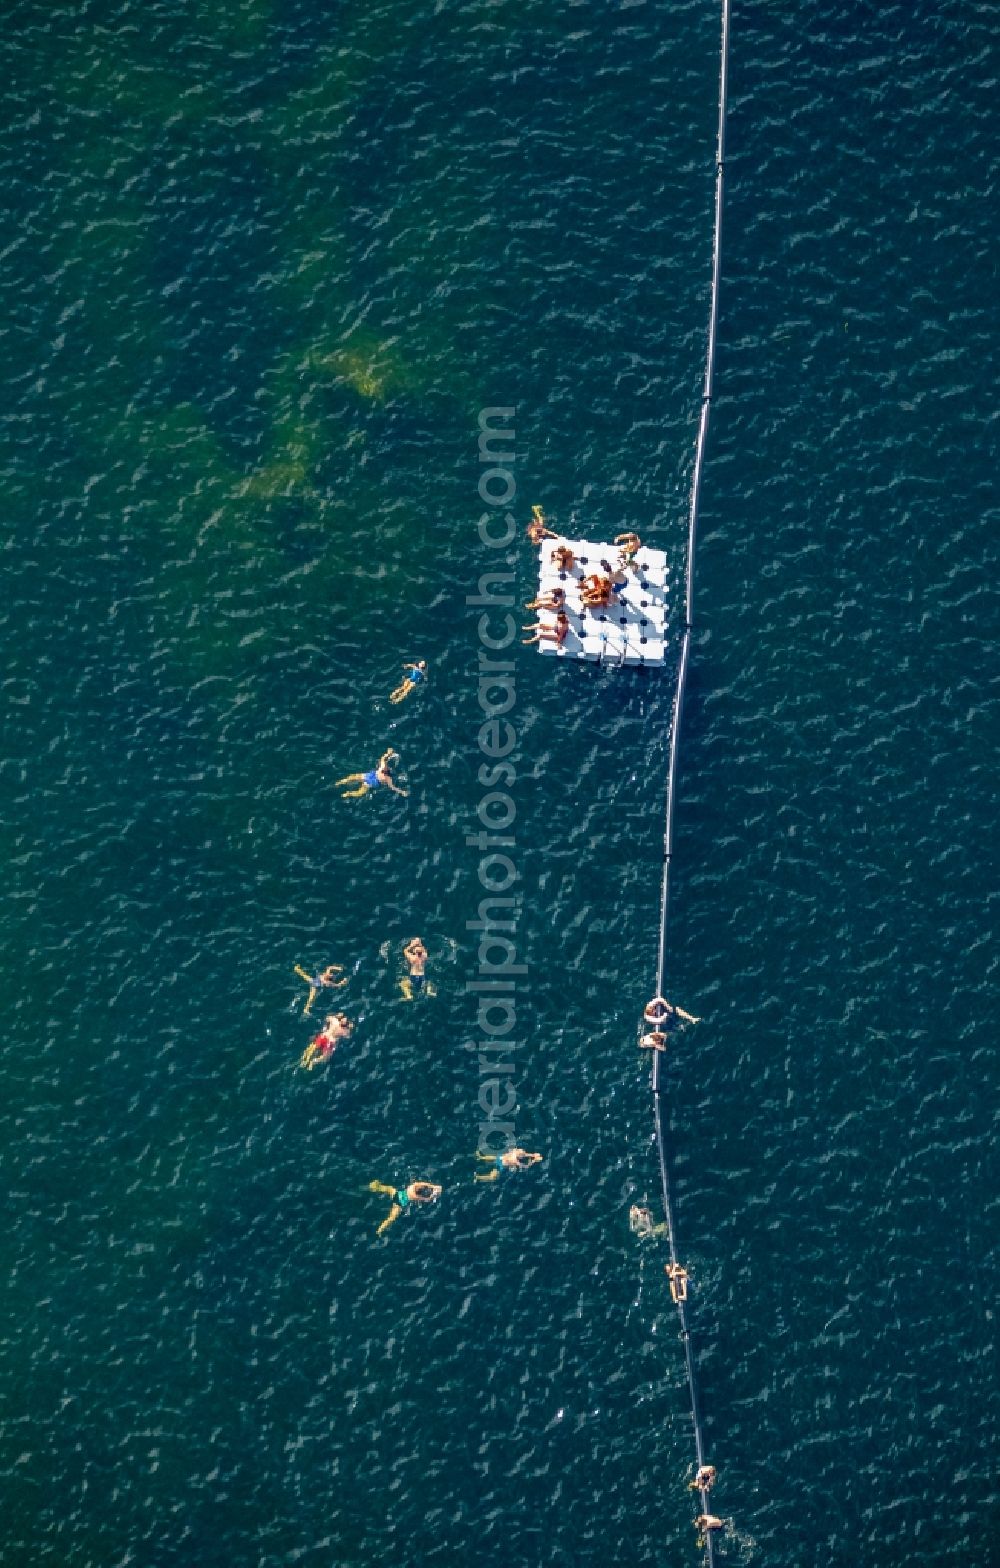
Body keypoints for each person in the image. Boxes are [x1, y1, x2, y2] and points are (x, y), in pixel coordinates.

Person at [369, 1178, 442, 1235]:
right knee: (391, 1218)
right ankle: (380, 1230)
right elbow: (426, 1199)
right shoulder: (415, 1196)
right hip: (399, 1203)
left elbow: (423, 1184)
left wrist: (433, 1186)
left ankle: (375, 1186)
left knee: (388, 1189)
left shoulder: (413, 1186)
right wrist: (434, 1196)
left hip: (396, 1194)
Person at [335, 748, 407, 799]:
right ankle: (343, 786)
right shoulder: (385, 770)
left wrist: (402, 792)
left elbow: (393, 787)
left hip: (371, 780)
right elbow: (383, 758)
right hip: (371, 778)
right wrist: (388, 753)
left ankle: (347, 791)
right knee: (355, 782)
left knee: (358, 789)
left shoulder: (386, 774)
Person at [475, 1148, 543, 1181]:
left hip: (501, 1162)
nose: (522, 1154)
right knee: (493, 1173)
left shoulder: (516, 1153)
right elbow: (525, 1165)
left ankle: (478, 1177)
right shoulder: (516, 1159)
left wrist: (534, 1157)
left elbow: (526, 1158)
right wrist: (533, 1160)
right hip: (501, 1162)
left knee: (493, 1175)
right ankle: (480, 1159)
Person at [400, 936, 435, 1001]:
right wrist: (419, 943)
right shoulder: (424, 956)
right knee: (428, 982)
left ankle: (409, 996)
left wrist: (411, 945)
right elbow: (424, 950)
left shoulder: (412, 958)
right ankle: (429, 991)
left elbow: (405, 950)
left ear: (414, 952)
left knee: (403, 984)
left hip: (413, 976)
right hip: (422, 976)